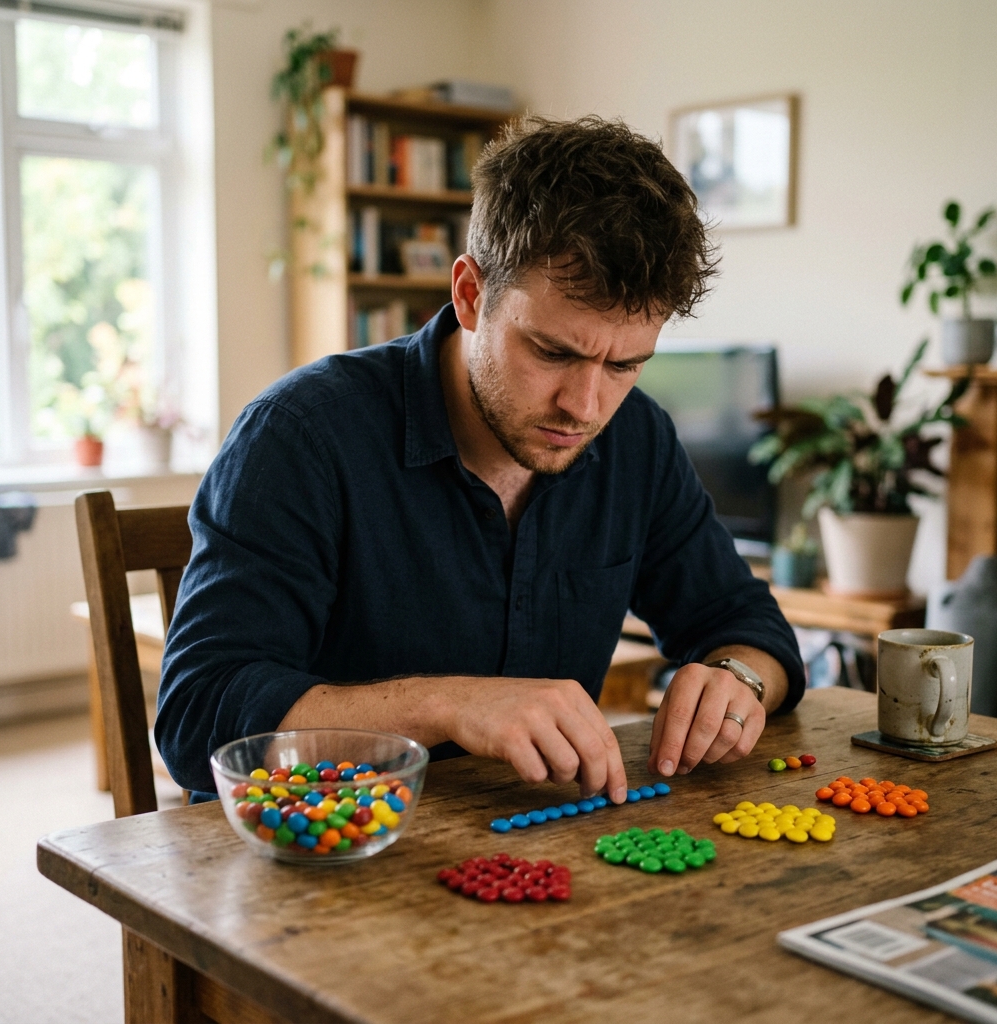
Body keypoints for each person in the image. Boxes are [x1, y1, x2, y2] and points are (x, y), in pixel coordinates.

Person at [156, 115, 804, 802]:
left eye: (625, 364)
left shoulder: (635, 437)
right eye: (554, 352)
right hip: (316, 856)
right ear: (469, 294)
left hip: (529, 850)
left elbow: (747, 624)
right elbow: (200, 717)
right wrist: (448, 706)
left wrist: (739, 678)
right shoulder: (300, 436)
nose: (585, 406)